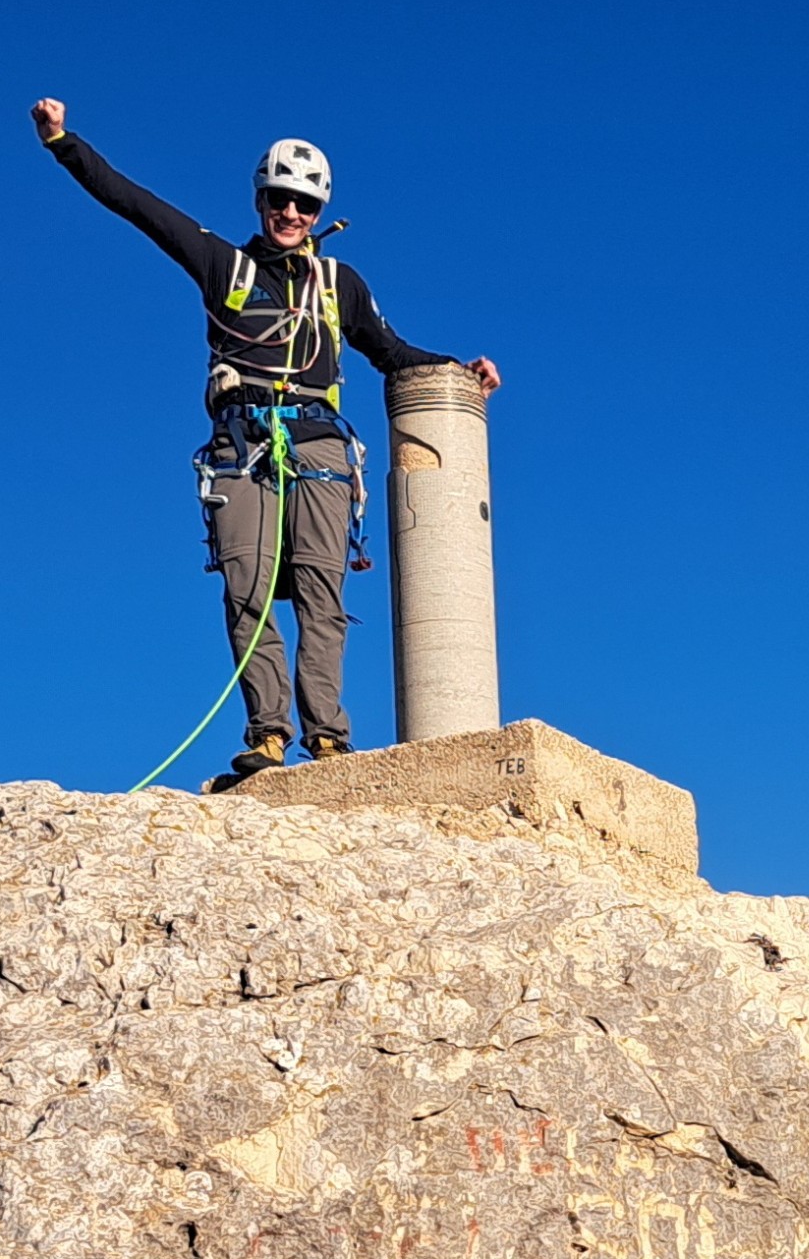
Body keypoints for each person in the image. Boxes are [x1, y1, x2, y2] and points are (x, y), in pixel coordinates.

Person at [30, 99, 500, 785]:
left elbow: (389, 351)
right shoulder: (226, 266)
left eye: (304, 205)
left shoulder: (340, 285)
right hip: (240, 448)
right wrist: (62, 143)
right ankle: (269, 732)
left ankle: (328, 737)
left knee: (320, 592)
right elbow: (137, 206)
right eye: (280, 200)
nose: (291, 215)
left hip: (318, 449)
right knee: (247, 591)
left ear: (319, 212)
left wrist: (458, 370)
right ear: (260, 200)